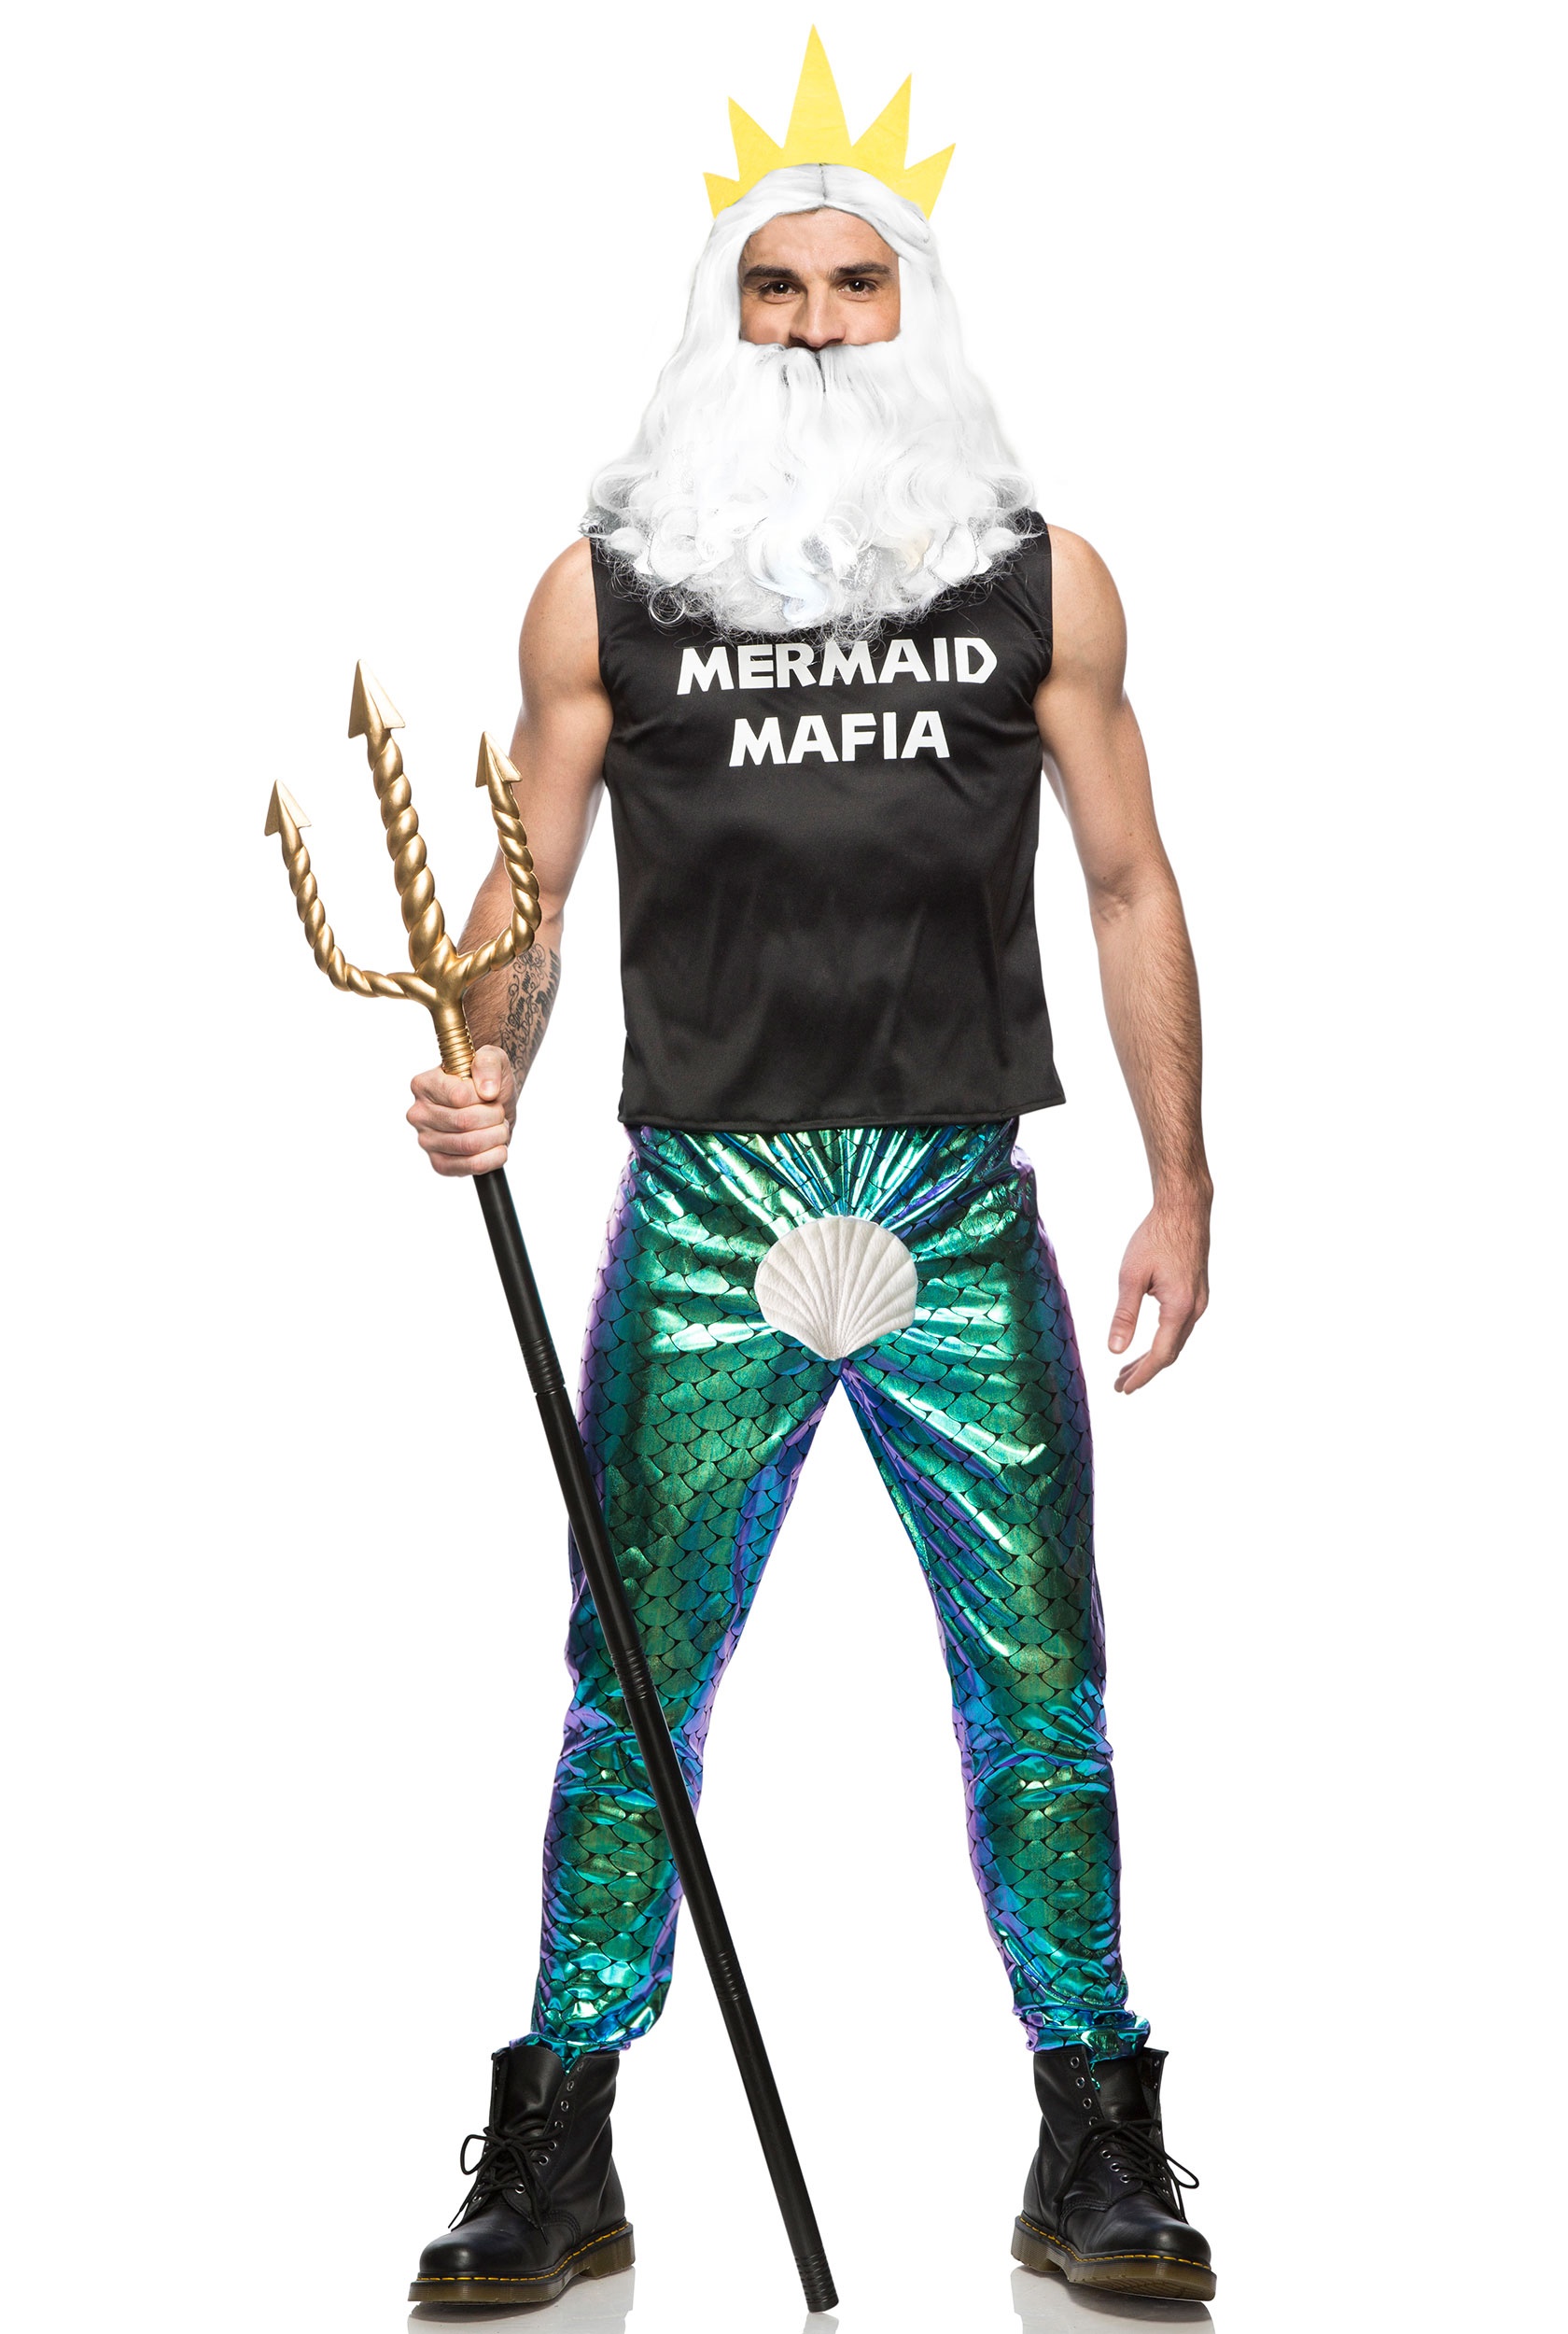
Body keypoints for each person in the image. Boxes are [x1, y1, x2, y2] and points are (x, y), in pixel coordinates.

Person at [404, 33, 1215, 2310]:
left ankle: (1096, 2132)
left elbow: (1126, 881)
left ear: (916, 310)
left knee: (1037, 1674)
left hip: (952, 1196)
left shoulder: (1038, 584)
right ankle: (555, 2140)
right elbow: (525, 900)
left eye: (857, 285)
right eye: (776, 286)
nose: (817, 327)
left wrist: (1180, 1179)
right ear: (719, 313)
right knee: (630, 1683)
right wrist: (478, 1063)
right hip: (704, 1206)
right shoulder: (604, 596)